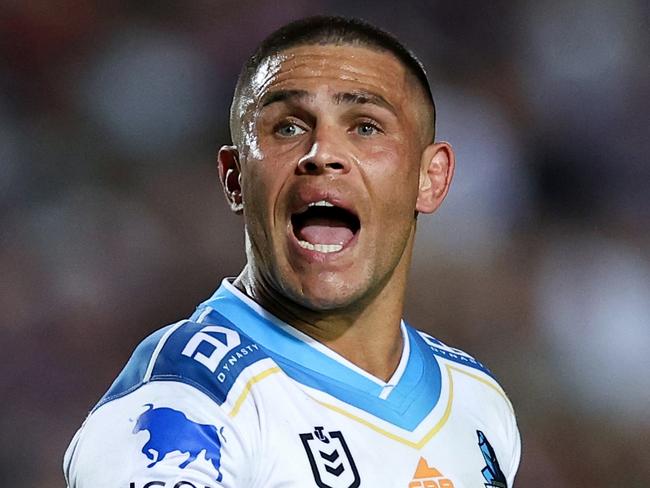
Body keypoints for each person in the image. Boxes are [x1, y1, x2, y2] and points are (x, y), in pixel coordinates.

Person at [64, 16, 520, 488]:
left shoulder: (477, 401)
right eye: (287, 128)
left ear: (431, 178)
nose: (322, 152)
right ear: (234, 179)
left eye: (365, 127)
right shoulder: (182, 402)